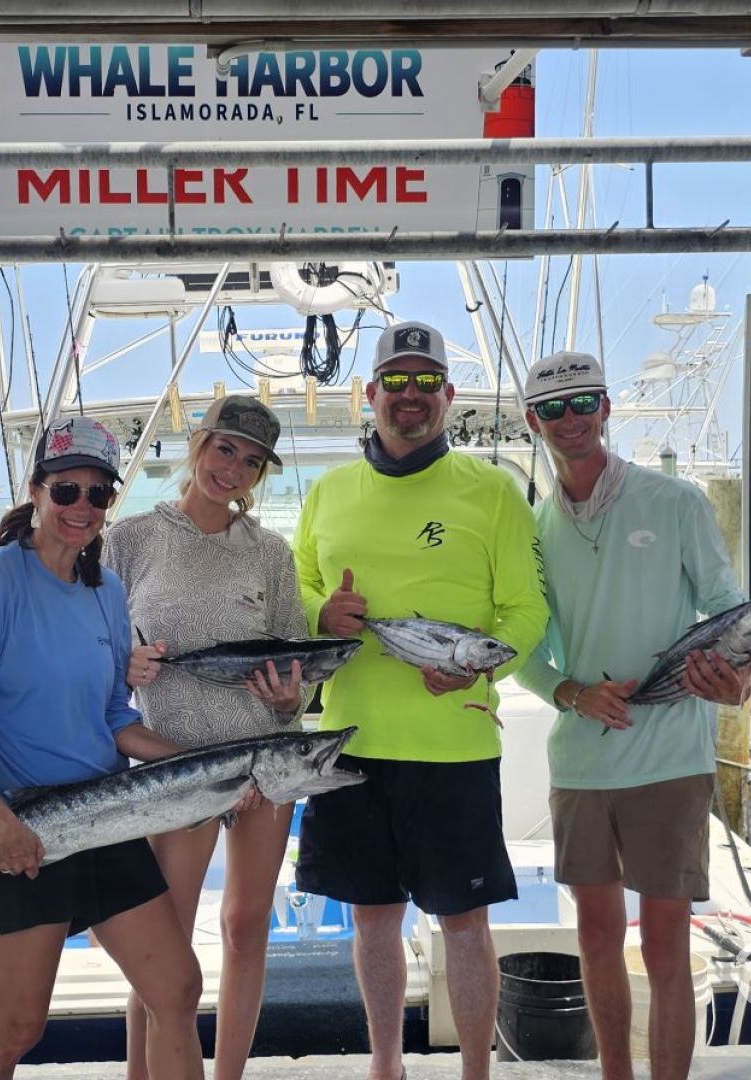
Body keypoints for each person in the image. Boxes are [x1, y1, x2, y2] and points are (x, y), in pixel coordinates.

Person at [290, 320, 550, 1080]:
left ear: (449, 394)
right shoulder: (330, 490)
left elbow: (526, 610)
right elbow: (298, 586)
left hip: (454, 746)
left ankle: (475, 1072)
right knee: (371, 920)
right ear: (369, 394)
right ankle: (386, 1065)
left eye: (426, 381)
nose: (411, 395)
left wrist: (482, 673)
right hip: (350, 741)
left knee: (464, 925)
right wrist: (320, 615)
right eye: (396, 382)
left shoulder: (493, 491)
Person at [0, 415, 205, 1080]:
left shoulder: (106, 590)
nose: (82, 506)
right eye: (66, 490)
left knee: (177, 991)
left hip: (103, 817)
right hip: (19, 830)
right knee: (18, 1025)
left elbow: (113, 716)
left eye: (98, 494)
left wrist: (195, 767)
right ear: (35, 491)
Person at [514, 351, 751, 1080]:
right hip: (583, 760)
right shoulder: (533, 529)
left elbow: (731, 613)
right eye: (552, 408)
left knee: (664, 944)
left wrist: (741, 681)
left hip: (671, 759)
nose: (570, 419)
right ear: (532, 421)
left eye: (582, 402)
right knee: (595, 939)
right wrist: (572, 693)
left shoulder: (676, 501)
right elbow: (524, 651)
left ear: (606, 406)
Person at [104, 395, 308, 1080]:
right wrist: (124, 666)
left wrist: (291, 699)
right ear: (199, 443)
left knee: (247, 928)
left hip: (265, 763)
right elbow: (97, 652)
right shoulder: (130, 539)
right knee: (160, 946)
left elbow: (298, 668)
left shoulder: (271, 553)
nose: (233, 470)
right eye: (226, 450)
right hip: (175, 767)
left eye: (251, 462)